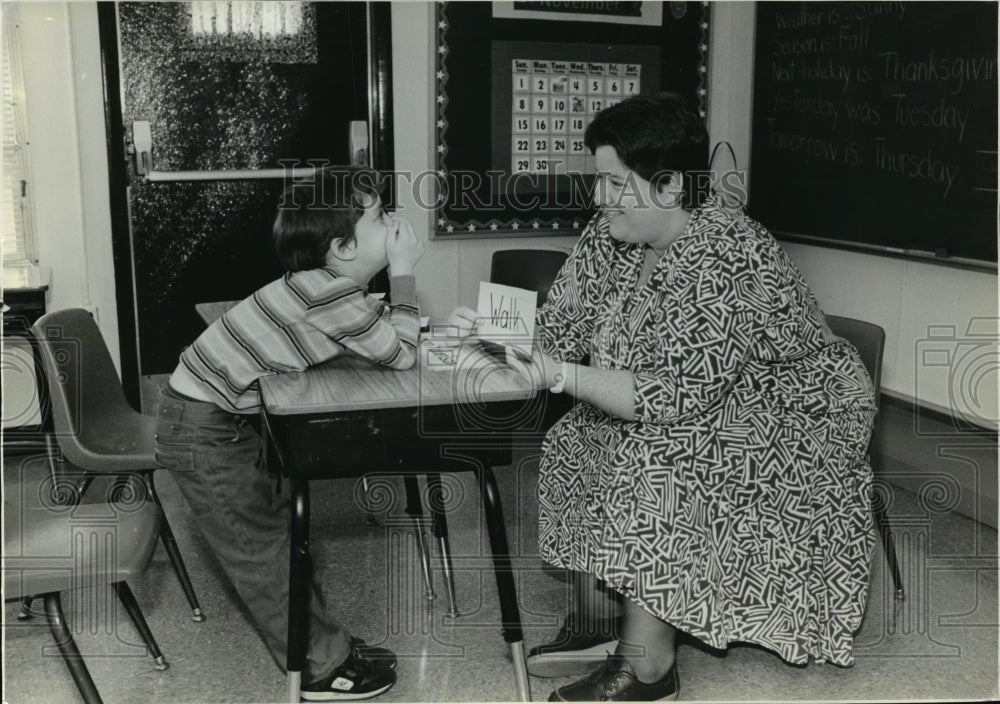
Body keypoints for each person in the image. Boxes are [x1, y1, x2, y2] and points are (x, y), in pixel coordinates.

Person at [451, 92, 876, 701]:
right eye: (597, 181)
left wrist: (558, 374)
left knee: (659, 455)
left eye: (613, 183)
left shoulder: (727, 252)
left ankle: (649, 667)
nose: (598, 198)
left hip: (796, 413)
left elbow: (670, 398)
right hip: (704, 395)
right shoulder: (612, 231)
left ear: (671, 185)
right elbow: (563, 325)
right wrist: (494, 330)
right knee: (577, 435)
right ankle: (606, 622)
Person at [153, 166, 424, 701]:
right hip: (202, 431)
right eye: (380, 218)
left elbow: (363, 331)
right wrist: (405, 274)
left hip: (209, 419)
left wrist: (382, 308)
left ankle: (327, 642)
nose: (394, 223)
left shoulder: (321, 286)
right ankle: (321, 669)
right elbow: (403, 354)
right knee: (261, 554)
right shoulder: (331, 295)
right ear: (343, 247)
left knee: (279, 538)